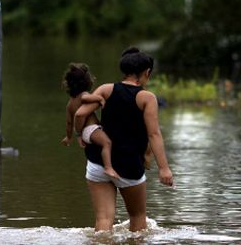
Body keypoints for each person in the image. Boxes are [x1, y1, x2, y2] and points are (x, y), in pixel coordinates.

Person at [74, 47, 174, 232]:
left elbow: (80, 113)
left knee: (103, 220)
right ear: (147, 72)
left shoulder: (105, 89)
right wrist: (164, 168)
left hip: (99, 163)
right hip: (129, 167)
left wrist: (81, 134)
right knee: (137, 220)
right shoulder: (147, 98)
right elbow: (154, 134)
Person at [61, 63, 120, 179]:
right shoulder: (84, 95)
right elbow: (86, 98)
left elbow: (69, 123)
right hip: (91, 129)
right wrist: (99, 98)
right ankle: (108, 167)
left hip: (84, 132)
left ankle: (104, 165)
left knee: (103, 144)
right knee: (107, 143)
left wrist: (69, 137)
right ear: (86, 82)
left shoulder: (70, 104)